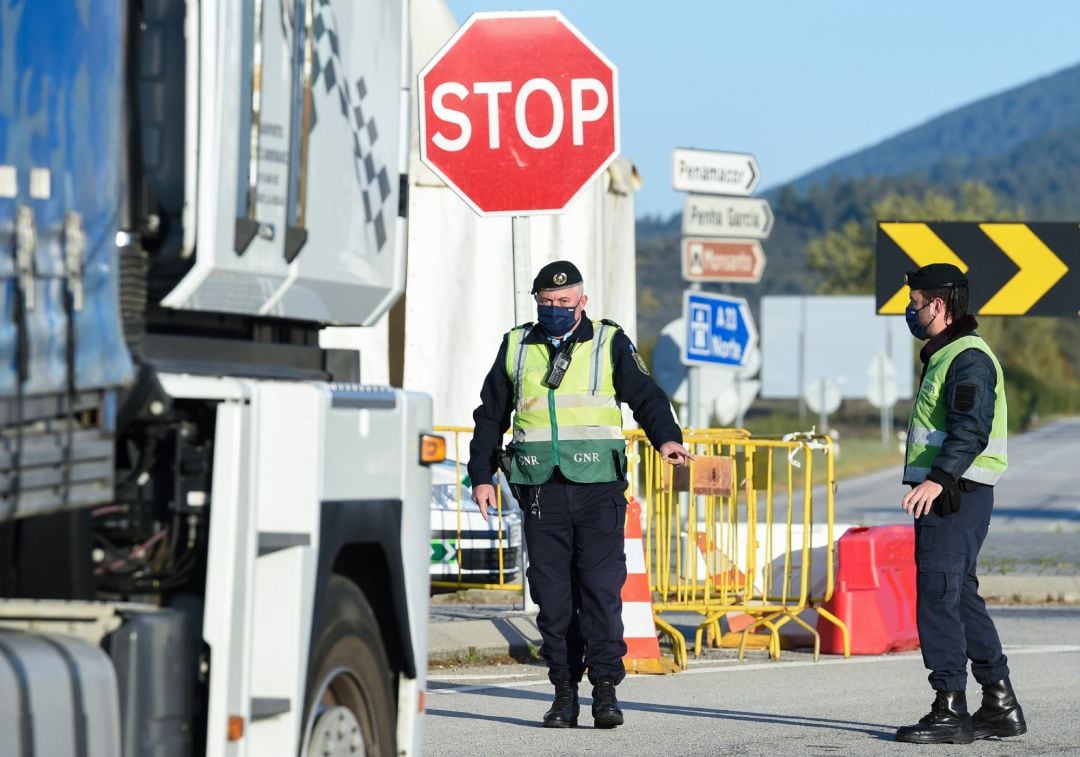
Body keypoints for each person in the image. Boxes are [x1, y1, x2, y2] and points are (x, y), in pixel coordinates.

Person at [468, 260, 691, 730]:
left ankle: (605, 691)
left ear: (582, 302)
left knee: (600, 594)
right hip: (539, 491)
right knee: (552, 600)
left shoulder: (608, 342)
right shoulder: (515, 345)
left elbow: (646, 397)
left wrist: (666, 438)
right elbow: (490, 415)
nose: (555, 310)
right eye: (546, 303)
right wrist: (482, 475)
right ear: (536, 302)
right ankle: (564, 694)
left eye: (564, 303)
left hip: (598, 490)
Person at [895, 263, 1026, 744]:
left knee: (938, 596)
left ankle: (949, 708)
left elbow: (970, 426)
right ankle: (999, 704)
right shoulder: (948, 353)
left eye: (915, 305)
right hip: (956, 490)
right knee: (959, 594)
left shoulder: (968, 357)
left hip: (955, 493)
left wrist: (938, 479)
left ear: (938, 305)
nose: (911, 314)